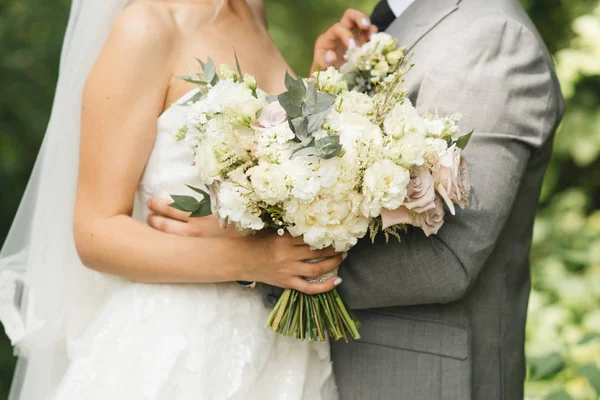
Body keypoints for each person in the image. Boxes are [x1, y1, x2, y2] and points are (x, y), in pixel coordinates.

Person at [0, 1, 371, 398]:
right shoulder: (147, 25)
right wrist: (254, 260)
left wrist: (318, 94)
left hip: (279, 347)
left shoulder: (250, 12)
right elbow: (95, 233)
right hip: (182, 348)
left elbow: (264, 173)